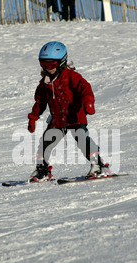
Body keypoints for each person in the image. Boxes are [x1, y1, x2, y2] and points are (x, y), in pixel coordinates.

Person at [27, 41, 110, 182]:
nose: (48, 68)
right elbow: (40, 102)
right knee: (46, 142)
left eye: (51, 65)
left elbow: (86, 89)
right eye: (43, 65)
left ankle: (98, 165)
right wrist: (33, 117)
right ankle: (42, 170)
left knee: (82, 138)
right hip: (57, 120)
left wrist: (88, 102)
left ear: (61, 62)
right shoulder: (45, 83)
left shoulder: (72, 77)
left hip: (75, 116)